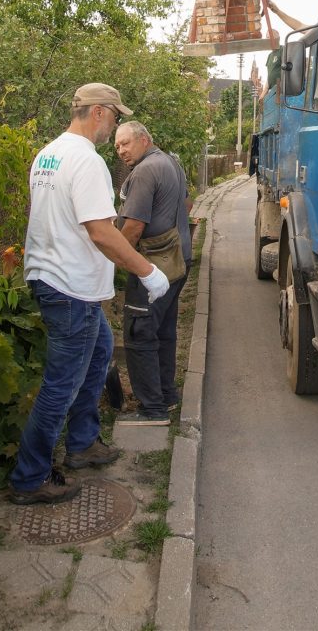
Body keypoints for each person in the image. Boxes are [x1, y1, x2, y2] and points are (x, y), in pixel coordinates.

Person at [8, 83, 171, 506]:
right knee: (60, 385)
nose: (114, 126)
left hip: (52, 278)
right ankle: (29, 478)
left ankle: (82, 444)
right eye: (114, 117)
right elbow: (100, 231)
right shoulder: (87, 161)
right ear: (98, 112)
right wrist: (148, 271)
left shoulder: (48, 154)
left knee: (99, 353)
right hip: (71, 288)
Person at [114, 121, 192, 426]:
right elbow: (187, 203)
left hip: (153, 266)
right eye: (117, 146)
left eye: (126, 143)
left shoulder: (144, 171)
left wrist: (117, 260)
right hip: (179, 261)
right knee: (163, 331)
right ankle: (166, 396)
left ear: (144, 140)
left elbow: (133, 226)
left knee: (140, 332)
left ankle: (152, 409)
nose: (121, 151)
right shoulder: (171, 162)